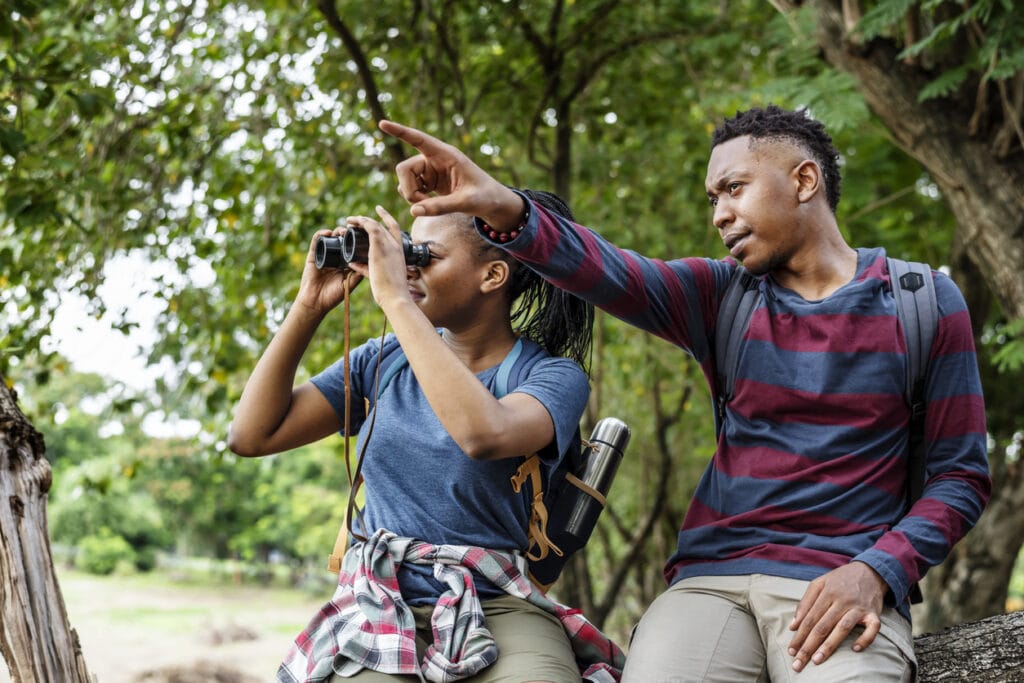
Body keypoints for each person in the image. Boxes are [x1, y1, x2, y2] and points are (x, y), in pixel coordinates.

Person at [376, 106, 992, 682]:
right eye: (712, 198)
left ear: (804, 181)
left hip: (839, 582)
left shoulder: (922, 303)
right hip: (711, 583)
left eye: (735, 188)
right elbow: (607, 270)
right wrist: (503, 208)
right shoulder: (721, 296)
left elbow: (960, 477)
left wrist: (878, 571)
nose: (719, 213)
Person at [227, 193, 625, 682]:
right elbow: (251, 435)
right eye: (405, 253)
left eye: (423, 257)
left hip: (498, 602)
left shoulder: (551, 377)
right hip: (381, 598)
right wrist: (309, 304)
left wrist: (394, 296)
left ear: (492, 276)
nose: (407, 268)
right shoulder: (383, 362)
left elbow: (483, 434)